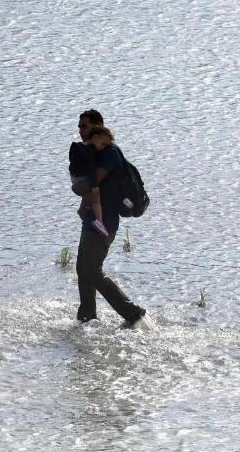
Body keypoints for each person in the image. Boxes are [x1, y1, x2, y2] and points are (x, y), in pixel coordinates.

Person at [72, 116, 147, 328]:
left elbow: (92, 182)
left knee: (92, 270)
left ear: (97, 127)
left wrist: (77, 186)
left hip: (104, 223)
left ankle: (134, 314)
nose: (80, 129)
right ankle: (87, 317)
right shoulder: (97, 152)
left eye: (84, 125)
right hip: (91, 220)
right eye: (79, 125)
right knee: (82, 268)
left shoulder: (109, 154)